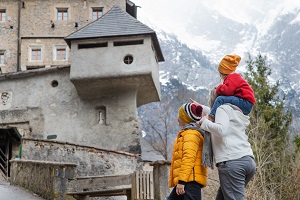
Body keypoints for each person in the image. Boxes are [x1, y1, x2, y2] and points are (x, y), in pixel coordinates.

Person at [197, 88, 256, 200]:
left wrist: (204, 123)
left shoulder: (221, 109)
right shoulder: (234, 110)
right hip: (247, 161)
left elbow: (221, 130)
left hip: (233, 163)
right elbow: (212, 114)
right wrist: (199, 107)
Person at [167, 103, 208, 200]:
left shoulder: (191, 134)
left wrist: (181, 181)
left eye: (180, 115)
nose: (177, 118)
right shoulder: (188, 133)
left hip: (189, 181)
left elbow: (188, 157)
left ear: (186, 118)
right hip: (187, 180)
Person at [209, 54, 256, 120]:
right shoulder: (234, 77)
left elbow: (227, 91)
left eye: (220, 73)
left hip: (245, 102)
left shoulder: (232, 77)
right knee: (225, 100)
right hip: (246, 103)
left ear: (223, 72)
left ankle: (211, 117)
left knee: (220, 99)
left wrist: (218, 88)